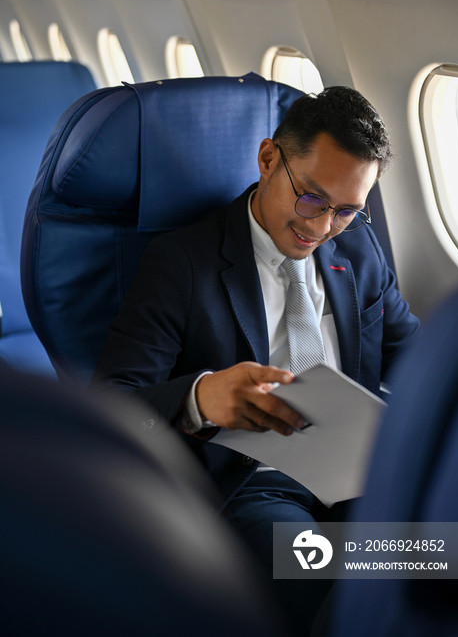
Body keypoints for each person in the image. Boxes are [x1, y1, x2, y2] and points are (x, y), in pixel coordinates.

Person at [92, 86, 421, 634]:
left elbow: (413, 360)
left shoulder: (359, 252)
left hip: (361, 476)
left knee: (443, 562)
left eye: (345, 211)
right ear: (269, 159)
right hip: (257, 486)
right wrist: (201, 398)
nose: (319, 227)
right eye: (311, 198)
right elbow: (110, 405)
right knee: (332, 590)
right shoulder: (183, 263)